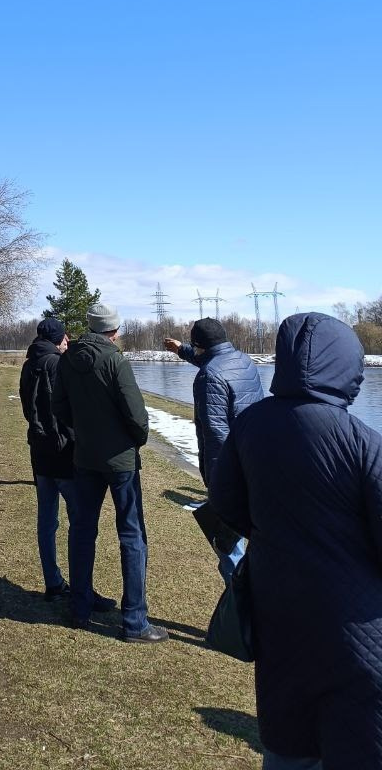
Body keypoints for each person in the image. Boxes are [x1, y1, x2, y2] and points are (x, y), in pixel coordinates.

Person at [211, 313, 382, 769]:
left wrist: (272, 536)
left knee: (289, 743)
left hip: (278, 609)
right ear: (347, 366)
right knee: (357, 743)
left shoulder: (251, 425)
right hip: (356, 629)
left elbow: (225, 501)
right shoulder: (362, 442)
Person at [53, 303, 167, 643]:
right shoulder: (115, 360)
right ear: (113, 332)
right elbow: (136, 413)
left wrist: (85, 431)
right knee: (132, 536)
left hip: (85, 457)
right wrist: (135, 439)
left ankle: (80, 608)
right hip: (120, 461)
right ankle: (134, 622)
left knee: (82, 530)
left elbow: (59, 406)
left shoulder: (68, 359)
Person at [19, 318, 117, 614]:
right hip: (63, 453)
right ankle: (81, 590)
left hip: (39, 454)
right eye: (64, 337)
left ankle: (53, 583)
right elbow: (66, 409)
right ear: (58, 338)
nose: (67, 341)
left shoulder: (28, 365)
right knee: (81, 525)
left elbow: (29, 408)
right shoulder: (58, 365)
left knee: (47, 521)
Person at [164, 318, 264, 581]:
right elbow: (212, 362)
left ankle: (242, 605)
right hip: (254, 459)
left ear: (200, 346)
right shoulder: (242, 361)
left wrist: (217, 481)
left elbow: (216, 433)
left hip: (230, 468)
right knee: (247, 533)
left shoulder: (209, 376)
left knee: (227, 545)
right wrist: (181, 349)